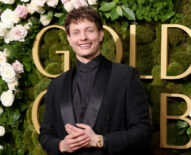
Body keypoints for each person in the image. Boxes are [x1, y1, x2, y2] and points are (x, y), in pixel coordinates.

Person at [39, 6, 151, 155]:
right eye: (76, 32)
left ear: (101, 35)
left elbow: (143, 132)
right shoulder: (56, 84)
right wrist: (61, 145)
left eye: (89, 30)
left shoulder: (125, 76)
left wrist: (100, 140)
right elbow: (45, 135)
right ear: (69, 39)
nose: (83, 37)